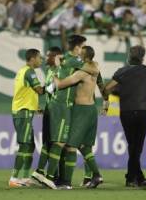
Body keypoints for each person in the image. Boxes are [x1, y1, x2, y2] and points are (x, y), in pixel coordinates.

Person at [103, 45, 146, 187]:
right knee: (136, 146)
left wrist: (106, 101)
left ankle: (133, 177)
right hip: (142, 111)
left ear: (129, 56)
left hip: (126, 112)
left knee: (133, 145)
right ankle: (134, 177)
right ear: (142, 57)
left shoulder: (122, 71)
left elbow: (107, 88)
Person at [53, 45, 102, 189]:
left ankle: (66, 182)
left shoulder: (81, 74)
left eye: (80, 54)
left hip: (81, 110)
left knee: (70, 146)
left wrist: (55, 70)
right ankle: (97, 175)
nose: (77, 56)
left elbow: (60, 84)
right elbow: (94, 68)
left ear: (85, 57)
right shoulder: (95, 66)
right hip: (92, 109)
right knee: (84, 146)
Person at [9, 48, 44, 188]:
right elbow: (39, 90)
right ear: (33, 58)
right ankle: (14, 178)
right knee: (24, 144)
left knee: (30, 145)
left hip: (25, 111)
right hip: (23, 113)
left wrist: (36, 107)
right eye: (39, 58)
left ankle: (24, 177)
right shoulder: (29, 71)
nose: (40, 60)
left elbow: (25, 92)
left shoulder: (22, 71)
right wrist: (55, 86)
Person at [32, 46, 62, 183]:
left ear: (56, 57)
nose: (45, 58)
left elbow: (53, 88)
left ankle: (51, 174)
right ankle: (41, 172)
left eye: (49, 55)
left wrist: (41, 90)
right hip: (49, 110)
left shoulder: (61, 71)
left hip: (58, 111)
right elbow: (49, 89)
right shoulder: (50, 70)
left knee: (56, 142)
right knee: (48, 142)